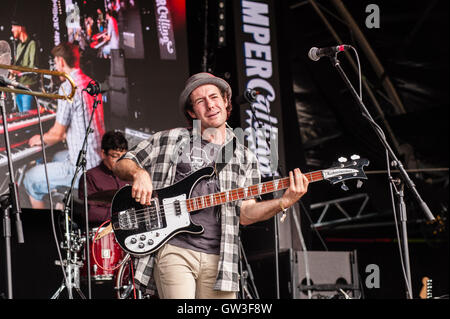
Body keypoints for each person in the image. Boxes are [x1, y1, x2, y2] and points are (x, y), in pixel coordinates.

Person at [113, 72, 309, 299]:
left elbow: (245, 213)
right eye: (200, 101)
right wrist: (139, 173)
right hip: (176, 250)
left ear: (226, 101)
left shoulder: (245, 157)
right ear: (191, 111)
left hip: (221, 259)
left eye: (214, 97)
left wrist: (284, 202)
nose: (210, 105)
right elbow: (122, 164)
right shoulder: (170, 139)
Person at [24, 42, 105, 209]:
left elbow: (57, 135)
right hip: (98, 159)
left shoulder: (68, 87)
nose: (55, 66)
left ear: (61, 61)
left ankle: (45, 230)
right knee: (56, 156)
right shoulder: (90, 83)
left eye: (55, 62)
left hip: (83, 169)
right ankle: (62, 205)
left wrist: (38, 139)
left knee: (30, 178)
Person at [77, 130, 129, 226]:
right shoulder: (90, 177)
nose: (120, 161)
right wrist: (121, 216)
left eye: (123, 156)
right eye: (115, 156)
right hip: (102, 231)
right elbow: (89, 212)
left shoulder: (130, 176)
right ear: (103, 154)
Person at [10, 18, 39, 112]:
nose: (12, 30)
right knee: (22, 118)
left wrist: (17, 70)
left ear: (20, 28)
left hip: (27, 88)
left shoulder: (32, 44)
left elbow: (33, 68)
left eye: (13, 27)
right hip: (18, 88)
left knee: (28, 119)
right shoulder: (18, 46)